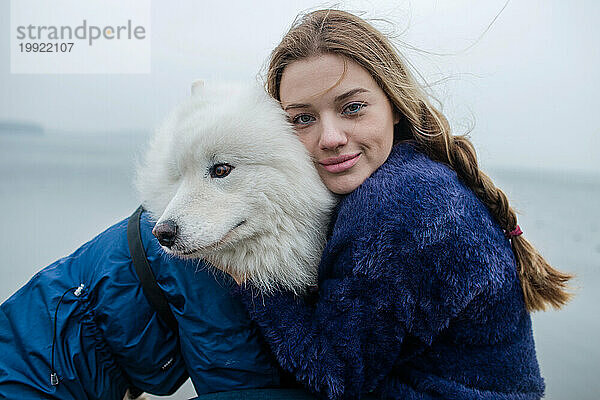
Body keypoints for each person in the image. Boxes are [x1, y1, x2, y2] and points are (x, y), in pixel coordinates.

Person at [223, 9, 573, 400]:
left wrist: (249, 279)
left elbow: (335, 377)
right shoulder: (406, 176)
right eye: (302, 118)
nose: (330, 137)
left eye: (352, 107)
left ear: (393, 105)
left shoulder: (401, 205)